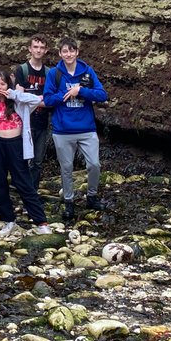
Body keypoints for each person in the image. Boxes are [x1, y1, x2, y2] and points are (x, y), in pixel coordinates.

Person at [0, 71, 50, 238]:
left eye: (3, 84)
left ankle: (41, 222)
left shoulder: (18, 101)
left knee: (23, 182)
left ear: (8, 85)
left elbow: (37, 100)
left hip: (16, 145)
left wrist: (15, 94)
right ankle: (8, 220)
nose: (0, 88)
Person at [42, 36, 108, 222]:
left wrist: (81, 91)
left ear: (77, 52)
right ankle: (69, 202)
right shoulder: (55, 73)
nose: (68, 54)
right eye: (65, 51)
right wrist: (66, 94)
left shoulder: (87, 72)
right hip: (62, 130)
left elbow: (102, 95)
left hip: (86, 128)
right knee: (66, 168)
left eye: (72, 51)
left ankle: (92, 197)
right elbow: (47, 100)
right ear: (60, 53)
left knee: (94, 164)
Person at [14, 33, 52, 201]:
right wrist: (39, 99)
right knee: (23, 158)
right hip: (24, 122)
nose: (38, 50)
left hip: (42, 122)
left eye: (41, 47)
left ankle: (33, 191)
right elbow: (19, 97)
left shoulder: (50, 73)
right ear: (29, 49)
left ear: (46, 50)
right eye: (35, 47)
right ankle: (22, 188)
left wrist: (33, 99)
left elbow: (51, 100)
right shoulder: (21, 70)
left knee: (37, 161)